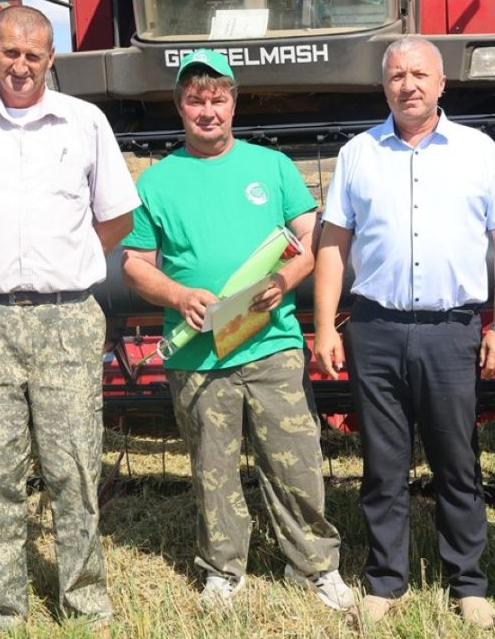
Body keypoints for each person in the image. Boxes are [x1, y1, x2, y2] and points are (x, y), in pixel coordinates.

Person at [0, 5, 140, 633]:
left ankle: (85, 601)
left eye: (34, 55)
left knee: (74, 464)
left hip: (68, 318)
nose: (21, 65)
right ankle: (0, 608)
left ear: (50, 58)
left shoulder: (85, 121)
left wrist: (69, 261)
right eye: (10, 52)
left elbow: (118, 217)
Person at [120, 49, 353, 611]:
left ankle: (315, 566)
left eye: (217, 98)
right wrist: (178, 295)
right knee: (212, 469)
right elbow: (134, 265)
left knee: (295, 459)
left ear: (233, 101)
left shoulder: (270, 167)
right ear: (180, 106)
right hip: (199, 352)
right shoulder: (156, 182)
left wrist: (285, 276)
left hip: (270, 343)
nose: (208, 110)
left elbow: (311, 238)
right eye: (196, 100)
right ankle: (223, 568)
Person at [314, 36, 495, 630]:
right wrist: (326, 325)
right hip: (375, 329)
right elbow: (334, 244)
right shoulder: (359, 153)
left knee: (457, 460)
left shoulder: (478, 152)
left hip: (450, 330)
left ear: (441, 85)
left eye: (419, 74)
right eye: (396, 75)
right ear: (384, 86)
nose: (408, 84)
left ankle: (469, 582)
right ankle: (387, 580)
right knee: (383, 465)